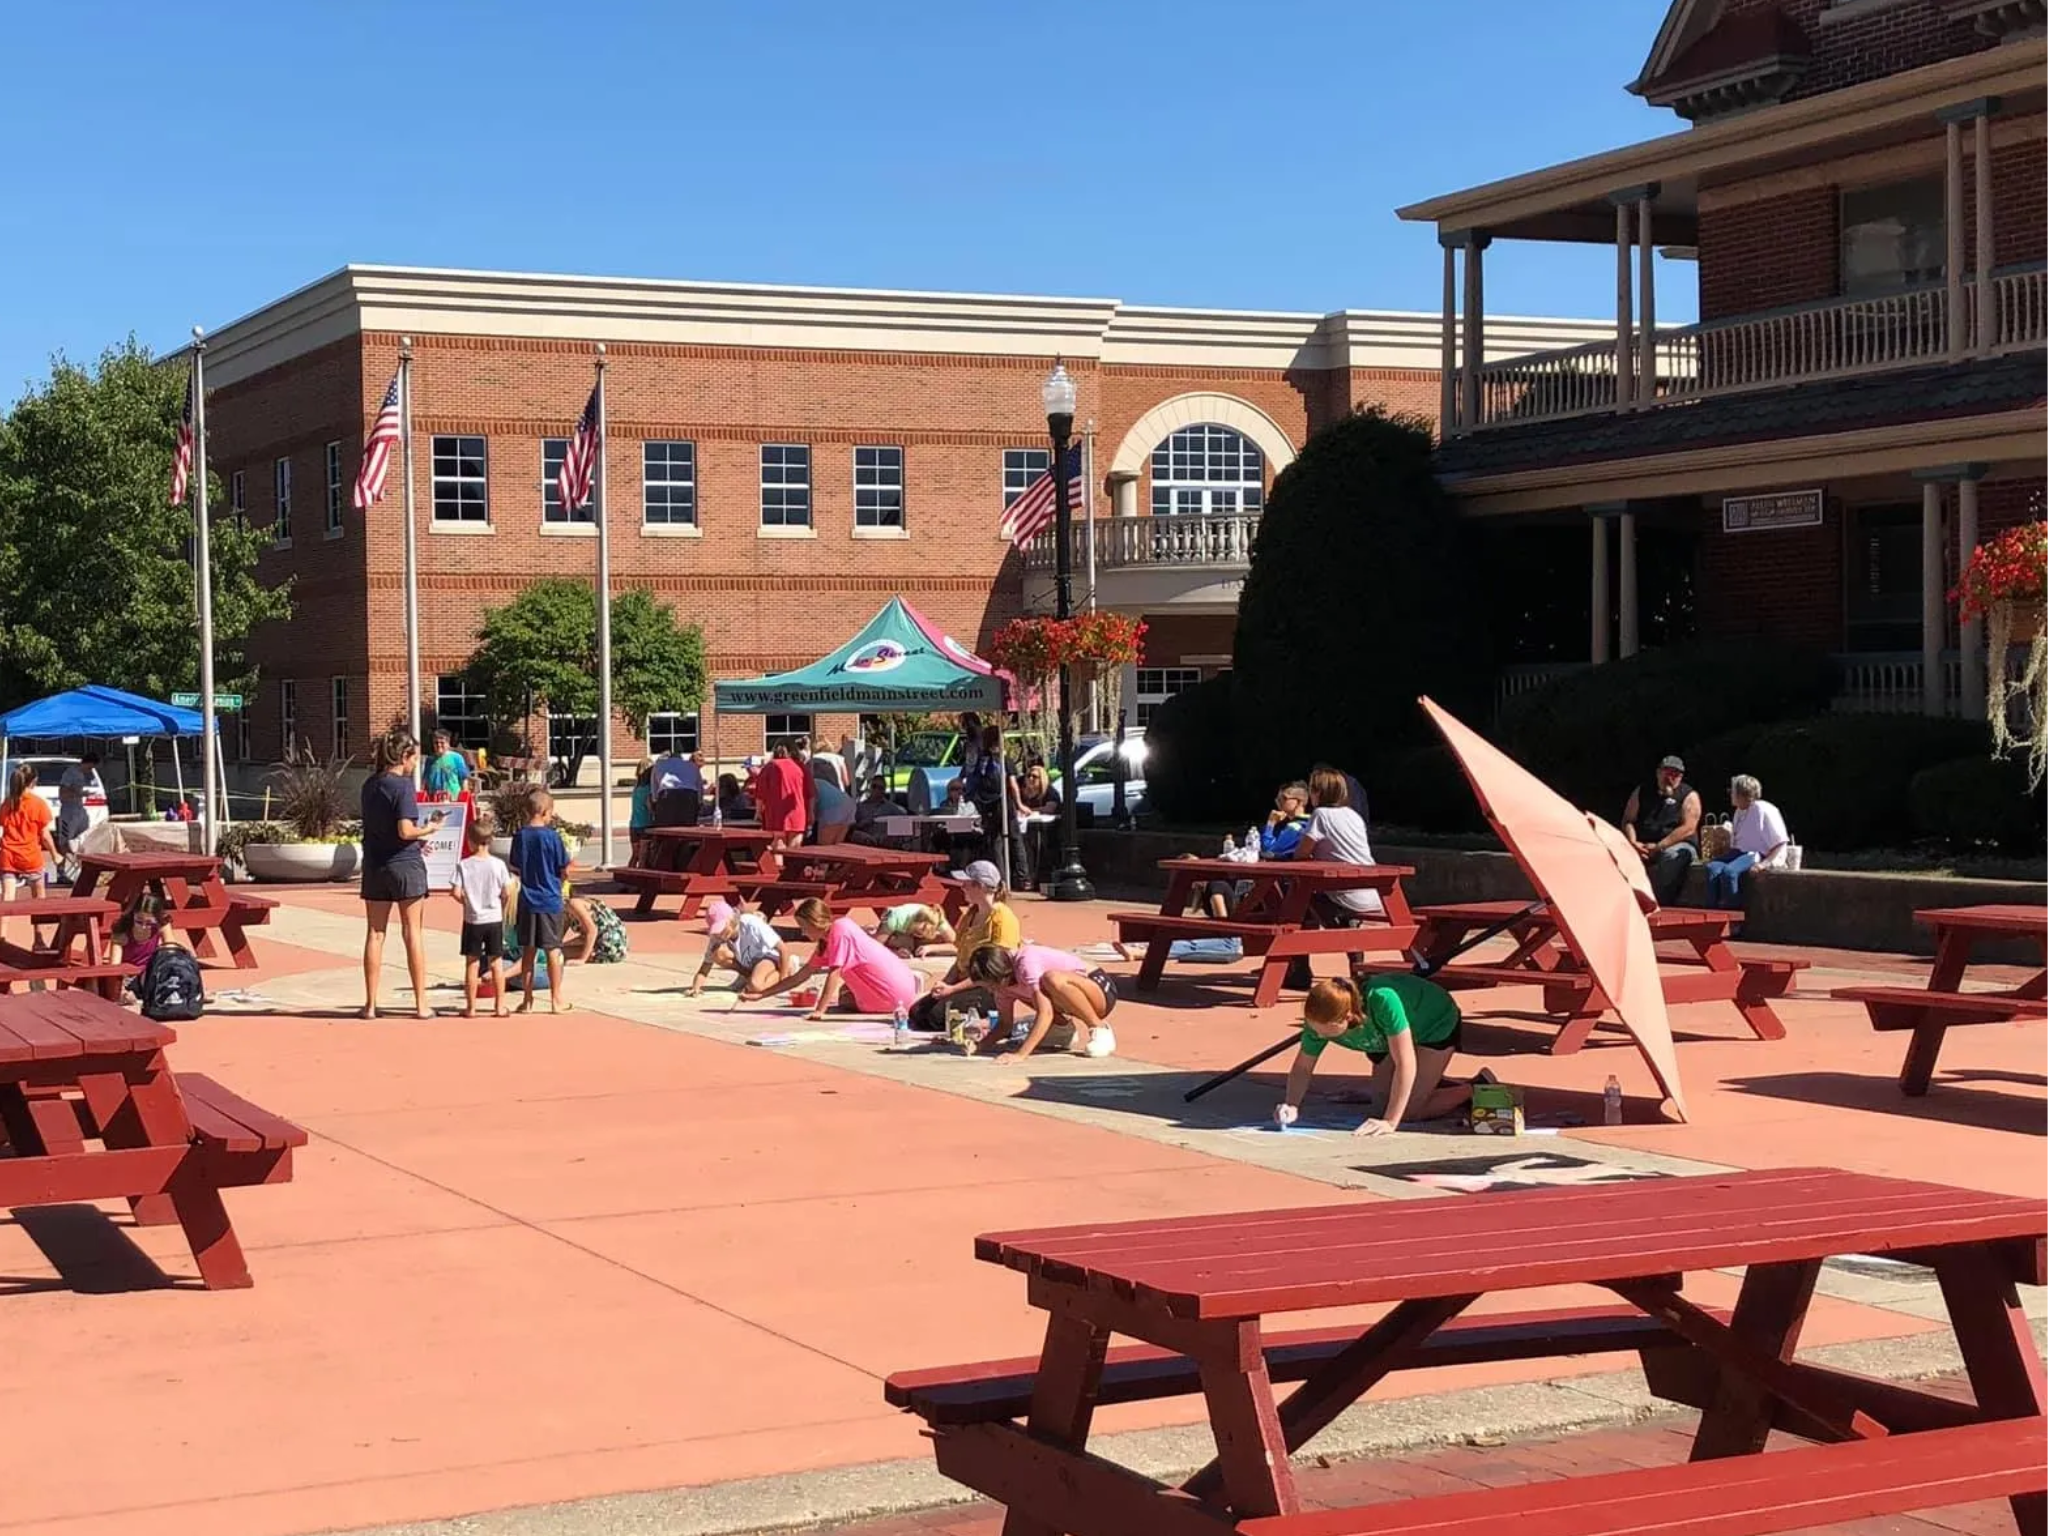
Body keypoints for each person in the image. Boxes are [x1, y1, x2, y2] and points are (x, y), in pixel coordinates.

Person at [1276, 975, 1485, 1136]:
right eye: (1314, 1028)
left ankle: (1476, 1087)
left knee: (1409, 1111)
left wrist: (1390, 1122)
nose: (1319, 1034)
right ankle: (1428, 1084)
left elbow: (1405, 1062)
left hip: (1434, 1024)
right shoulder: (1319, 1020)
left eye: (1326, 1029)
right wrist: (1292, 1105)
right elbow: (1303, 1066)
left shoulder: (1383, 1000)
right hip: (1387, 1042)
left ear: (1348, 1017)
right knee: (1380, 1105)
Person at [359, 730, 445, 1020]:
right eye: (414, 758)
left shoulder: (370, 784)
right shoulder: (403, 786)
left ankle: (370, 1004)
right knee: (413, 933)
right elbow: (405, 830)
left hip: (375, 863)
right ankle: (421, 1003)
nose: (415, 764)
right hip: (404, 864)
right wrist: (429, 830)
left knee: (375, 932)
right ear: (405, 757)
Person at [746, 897, 920, 1019]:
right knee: (847, 988)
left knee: (844, 995)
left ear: (815, 923)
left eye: (804, 927)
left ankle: (879, 999)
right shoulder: (831, 936)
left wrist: (820, 1010)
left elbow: (834, 973)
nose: (804, 933)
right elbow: (801, 976)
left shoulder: (839, 930)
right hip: (906, 988)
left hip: (890, 999)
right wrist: (761, 995)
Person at [968, 943, 1118, 1060]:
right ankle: (1062, 1029)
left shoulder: (1026, 962)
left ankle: (1098, 1027)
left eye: (989, 985)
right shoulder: (1001, 988)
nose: (989, 990)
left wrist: (1021, 1054)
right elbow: (1004, 1024)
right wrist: (979, 1046)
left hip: (1099, 989)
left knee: (1050, 980)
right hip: (1068, 1001)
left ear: (1000, 975)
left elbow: (1045, 1012)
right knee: (1036, 993)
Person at [508, 785, 572, 1013]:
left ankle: (527, 1000)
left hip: (527, 899)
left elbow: (514, 865)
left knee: (528, 951)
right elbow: (564, 867)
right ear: (545, 812)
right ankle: (556, 999)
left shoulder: (520, 837)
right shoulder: (553, 837)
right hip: (550, 899)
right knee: (553, 950)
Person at [1293, 767, 1385, 920]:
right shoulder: (1353, 815)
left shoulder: (1321, 814)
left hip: (1346, 891)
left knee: (1296, 891)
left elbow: (1300, 854)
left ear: (1318, 792)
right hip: (1372, 890)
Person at [1706, 773, 1790, 925]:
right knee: (1713, 867)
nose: (1730, 794)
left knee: (1729, 873)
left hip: (1755, 854)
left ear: (1742, 794)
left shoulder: (1764, 810)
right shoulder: (1739, 811)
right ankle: (1712, 917)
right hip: (1738, 852)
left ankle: (1734, 921)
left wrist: (1764, 864)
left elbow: (1780, 842)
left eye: (1732, 791)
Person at [450, 818, 512, 1018]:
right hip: (493, 918)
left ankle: (471, 1007)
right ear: (491, 840)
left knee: (472, 963)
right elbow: (507, 891)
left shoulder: (464, 865)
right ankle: (500, 1006)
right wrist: (500, 904)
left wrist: (467, 903)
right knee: (496, 962)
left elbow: (456, 892)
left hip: (472, 919)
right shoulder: (498, 865)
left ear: (470, 841)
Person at [1622, 755, 1703, 906]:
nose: (1671, 777)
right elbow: (1628, 820)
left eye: (1676, 774)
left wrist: (1659, 846)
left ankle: (1656, 902)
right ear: (1658, 772)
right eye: (1668, 772)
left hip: (1676, 844)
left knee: (1671, 856)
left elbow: (1688, 828)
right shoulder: (1642, 791)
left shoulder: (1688, 795)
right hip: (1643, 844)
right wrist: (1633, 843)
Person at [689, 898, 795, 996]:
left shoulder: (751, 923)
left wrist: (784, 979)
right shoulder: (718, 936)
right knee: (716, 952)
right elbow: (705, 966)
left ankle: (788, 968)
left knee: (755, 987)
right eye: (717, 930)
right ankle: (749, 977)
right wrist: (696, 987)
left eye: (722, 928)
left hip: (767, 958)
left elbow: (782, 948)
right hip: (750, 963)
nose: (720, 933)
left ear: (732, 920)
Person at [0, 765, 56, 910]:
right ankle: (39, 932)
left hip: (9, 857)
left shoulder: (7, 803)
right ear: (33, 782)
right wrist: (55, 854)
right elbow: (45, 835)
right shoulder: (38, 804)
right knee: (39, 899)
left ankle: (3, 932)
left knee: (7, 899)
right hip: (30, 857)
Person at [1012, 763, 1061, 891]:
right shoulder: (1021, 792)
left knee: (1036, 843)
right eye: (1028, 776)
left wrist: (1031, 810)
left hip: (1046, 829)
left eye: (1034, 776)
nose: (1030, 779)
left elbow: (1050, 808)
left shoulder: (1049, 791)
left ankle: (1035, 876)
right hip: (1024, 827)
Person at [55, 752, 104, 873]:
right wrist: (80, 794)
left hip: (79, 810)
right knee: (65, 841)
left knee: (82, 839)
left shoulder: (81, 774)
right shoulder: (70, 773)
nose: (91, 770)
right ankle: (62, 868)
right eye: (91, 767)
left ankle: (78, 867)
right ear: (88, 763)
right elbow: (63, 794)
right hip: (68, 812)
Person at [754, 743, 810, 849]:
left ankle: (779, 866)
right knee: (795, 850)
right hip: (797, 812)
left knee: (777, 847)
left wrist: (758, 812)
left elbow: (760, 793)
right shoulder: (800, 767)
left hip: (775, 813)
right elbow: (809, 793)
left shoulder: (770, 766)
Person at [650, 746, 705, 828]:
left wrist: (655, 802)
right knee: (688, 830)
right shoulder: (692, 766)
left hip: (667, 796)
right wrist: (699, 802)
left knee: (666, 830)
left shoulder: (659, 765)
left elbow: (654, 788)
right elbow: (699, 787)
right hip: (689, 796)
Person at [874, 902, 955, 957]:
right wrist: (895, 952)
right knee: (902, 943)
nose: (920, 934)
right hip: (897, 932)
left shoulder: (938, 919)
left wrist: (930, 948)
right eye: (918, 931)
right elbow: (875, 947)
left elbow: (957, 946)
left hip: (910, 934)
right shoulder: (895, 918)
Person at [850, 776, 900, 846]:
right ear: (870, 788)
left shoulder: (891, 808)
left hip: (884, 846)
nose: (877, 790)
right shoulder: (859, 807)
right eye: (874, 786)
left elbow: (904, 823)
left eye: (880, 788)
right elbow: (850, 830)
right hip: (864, 845)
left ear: (884, 790)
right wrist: (864, 823)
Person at [813, 766, 856, 845]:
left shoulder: (809, 784)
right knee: (836, 846)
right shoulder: (818, 782)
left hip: (833, 807)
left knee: (824, 846)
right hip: (849, 803)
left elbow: (812, 804)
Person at [423, 730, 471, 800]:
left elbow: (464, 780)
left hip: (453, 800)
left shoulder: (456, 758)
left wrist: (464, 799)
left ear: (448, 743)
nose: (439, 745)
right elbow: (425, 781)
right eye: (436, 743)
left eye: (442, 743)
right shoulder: (429, 760)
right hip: (434, 800)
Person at [628, 760, 655, 861]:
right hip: (646, 824)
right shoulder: (649, 789)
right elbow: (649, 805)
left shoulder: (636, 788)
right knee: (644, 855)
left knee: (635, 855)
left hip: (634, 824)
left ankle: (629, 873)